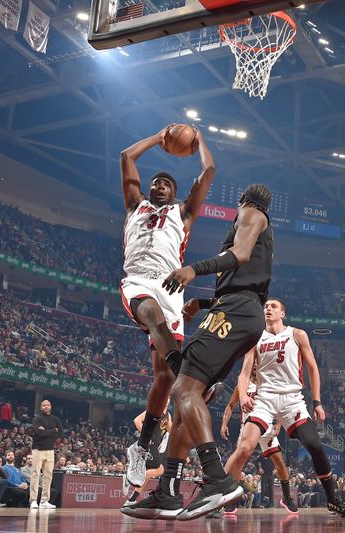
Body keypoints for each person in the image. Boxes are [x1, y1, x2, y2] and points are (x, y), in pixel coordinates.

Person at [123, 183, 274, 520]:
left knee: (184, 389)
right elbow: (247, 278)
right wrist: (205, 302)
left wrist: (194, 269)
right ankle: (168, 493)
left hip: (235, 311)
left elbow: (242, 255)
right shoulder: (259, 222)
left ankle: (216, 478)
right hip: (237, 310)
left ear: (242, 201)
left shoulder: (251, 214)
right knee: (184, 403)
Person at [119, 125, 216, 491]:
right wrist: (159, 138)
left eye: (165, 183)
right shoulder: (135, 206)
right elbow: (126, 157)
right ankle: (190, 369)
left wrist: (199, 139)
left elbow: (208, 172)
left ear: (174, 193)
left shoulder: (184, 214)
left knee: (163, 378)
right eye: (155, 182)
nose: (158, 185)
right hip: (139, 281)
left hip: (171, 285)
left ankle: (141, 448)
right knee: (154, 322)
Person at [224, 298, 345, 517]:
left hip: (292, 399)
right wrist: (244, 394)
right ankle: (219, 494)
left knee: (314, 445)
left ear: (283, 313)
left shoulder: (297, 334)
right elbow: (244, 373)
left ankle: (332, 499)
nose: (268, 309)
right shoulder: (255, 339)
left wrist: (317, 402)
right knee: (245, 448)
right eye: (266, 306)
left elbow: (313, 368)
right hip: (264, 398)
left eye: (273, 306)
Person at [219, 362, 297, 514]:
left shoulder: (269, 384)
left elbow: (280, 405)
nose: (255, 368)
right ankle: (231, 500)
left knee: (280, 463)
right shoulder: (243, 385)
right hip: (248, 427)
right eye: (253, 366)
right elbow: (230, 405)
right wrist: (224, 424)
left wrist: (279, 424)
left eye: (257, 366)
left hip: (267, 428)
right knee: (238, 462)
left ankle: (287, 497)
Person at [121, 410, 170, 510]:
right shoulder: (155, 409)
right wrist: (147, 436)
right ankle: (129, 478)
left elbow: (172, 431)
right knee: (160, 470)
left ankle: (131, 500)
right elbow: (137, 420)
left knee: (147, 474)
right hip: (148, 445)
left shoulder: (168, 415)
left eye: (168, 398)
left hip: (155, 446)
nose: (167, 399)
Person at [30, 399, 62, 509]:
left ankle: (44, 501)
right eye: (44, 405)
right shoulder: (37, 419)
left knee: (48, 476)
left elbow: (60, 434)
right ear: (41, 407)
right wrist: (53, 431)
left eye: (48, 405)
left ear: (51, 406)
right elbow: (38, 432)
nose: (46, 407)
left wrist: (45, 431)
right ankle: (33, 500)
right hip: (38, 450)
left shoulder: (55, 419)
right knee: (35, 474)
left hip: (50, 450)